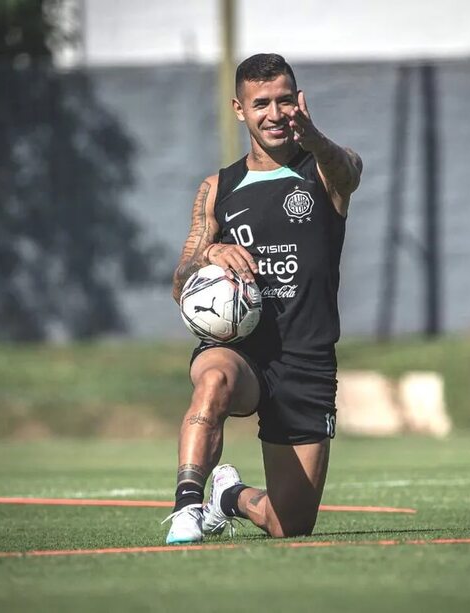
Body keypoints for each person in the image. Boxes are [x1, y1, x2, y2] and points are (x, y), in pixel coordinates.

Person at [163, 53, 362, 544]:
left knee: (289, 525)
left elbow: (351, 172)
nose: (275, 113)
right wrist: (210, 250)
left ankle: (227, 497)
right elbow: (180, 280)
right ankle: (187, 506)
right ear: (239, 109)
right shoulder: (218, 189)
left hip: (306, 359)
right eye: (261, 103)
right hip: (242, 350)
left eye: (285, 100)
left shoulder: (325, 172)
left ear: (298, 102)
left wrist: (312, 137)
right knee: (212, 382)